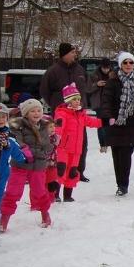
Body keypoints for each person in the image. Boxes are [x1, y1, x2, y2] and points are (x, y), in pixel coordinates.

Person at [100, 52, 134, 196]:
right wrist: (109, 116)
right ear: (120, 65)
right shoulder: (113, 81)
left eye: (131, 62)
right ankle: (120, 183)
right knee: (117, 155)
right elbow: (106, 101)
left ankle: (123, 185)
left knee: (126, 155)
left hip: (132, 123)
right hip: (116, 122)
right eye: (125, 62)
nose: (128, 65)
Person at [0, 99, 54, 230]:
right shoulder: (18, 126)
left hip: (38, 166)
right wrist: (25, 150)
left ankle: (45, 214)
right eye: (32, 111)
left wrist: (38, 152)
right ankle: (4, 219)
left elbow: (47, 147)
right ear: (26, 113)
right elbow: (17, 142)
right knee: (12, 192)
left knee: (40, 192)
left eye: (39, 110)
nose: (36, 113)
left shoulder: (45, 127)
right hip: (21, 165)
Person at [40, 43, 89, 182]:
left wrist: (83, 104)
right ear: (64, 54)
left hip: (78, 114)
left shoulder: (80, 69)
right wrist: (56, 104)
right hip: (61, 115)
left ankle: (78, 171)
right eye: (72, 52)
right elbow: (44, 90)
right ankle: (58, 170)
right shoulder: (53, 71)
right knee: (60, 143)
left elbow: (86, 88)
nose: (75, 54)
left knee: (80, 143)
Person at [0, 103, 27, 248]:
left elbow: (19, 155)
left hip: (1, 175)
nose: (0, 119)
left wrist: (25, 157)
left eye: (3, 116)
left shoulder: (9, 138)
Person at [53, 84, 101, 202]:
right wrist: (57, 136)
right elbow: (58, 125)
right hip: (63, 148)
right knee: (61, 169)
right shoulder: (62, 113)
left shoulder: (81, 114)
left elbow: (91, 122)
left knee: (72, 171)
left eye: (79, 99)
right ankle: (55, 194)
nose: (77, 101)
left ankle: (68, 195)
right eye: (74, 99)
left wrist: (105, 122)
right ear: (68, 100)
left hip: (76, 150)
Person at [87, 58, 115, 160]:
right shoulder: (94, 74)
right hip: (98, 103)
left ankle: (109, 142)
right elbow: (88, 88)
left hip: (110, 103)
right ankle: (103, 144)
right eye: (104, 68)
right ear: (101, 66)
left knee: (109, 123)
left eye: (108, 68)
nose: (106, 70)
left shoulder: (113, 74)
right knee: (100, 123)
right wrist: (97, 85)